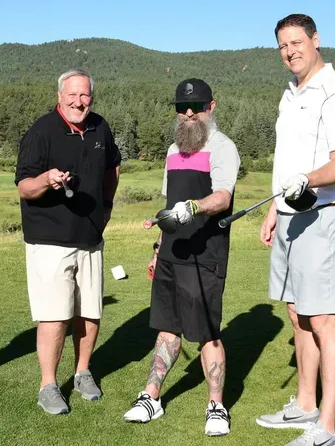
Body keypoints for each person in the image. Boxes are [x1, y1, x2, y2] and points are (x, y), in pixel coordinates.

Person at [256, 14, 335, 446]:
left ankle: (328, 430)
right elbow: (286, 158)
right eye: (283, 45)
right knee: (297, 312)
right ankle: (304, 406)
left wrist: (308, 180)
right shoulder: (291, 92)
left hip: (325, 213)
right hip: (290, 214)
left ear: (316, 40)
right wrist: (273, 208)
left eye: (297, 42)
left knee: (324, 318)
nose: (290, 51)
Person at [123, 78, 240, 437]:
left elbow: (223, 196)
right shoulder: (174, 150)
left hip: (206, 254)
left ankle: (216, 406)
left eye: (197, 107)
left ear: (211, 107)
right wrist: (158, 249)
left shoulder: (223, 147)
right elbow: (167, 207)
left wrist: (195, 207)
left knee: (206, 334)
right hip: (172, 254)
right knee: (167, 328)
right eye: (181, 108)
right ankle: (151, 397)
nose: (189, 114)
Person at [15, 68, 121, 415]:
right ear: (60, 96)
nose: (79, 101)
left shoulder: (99, 127)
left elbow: (113, 168)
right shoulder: (42, 131)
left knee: (90, 312)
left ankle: (82, 372)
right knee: (55, 316)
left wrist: (106, 208)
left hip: (90, 236)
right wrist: (46, 179)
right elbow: (24, 187)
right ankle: (48, 385)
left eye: (85, 95)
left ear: (92, 97)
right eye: (72, 95)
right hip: (50, 239)